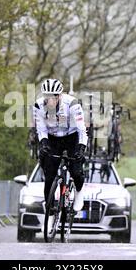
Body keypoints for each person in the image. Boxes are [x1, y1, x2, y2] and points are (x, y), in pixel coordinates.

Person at [34, 78, 88, 212]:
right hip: (53, 138)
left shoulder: (72, 104)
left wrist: (81, 147)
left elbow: (82, 129)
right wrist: (43, 142)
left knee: (76, 170)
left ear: (59, 96)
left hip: (72, 137)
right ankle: (50, 213)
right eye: (47, 97)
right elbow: (41, 129)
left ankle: (79, 192)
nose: (50, 101)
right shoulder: (39, 106)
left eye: (53, 97)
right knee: (49, 174)